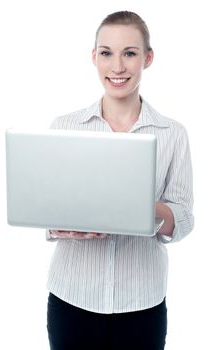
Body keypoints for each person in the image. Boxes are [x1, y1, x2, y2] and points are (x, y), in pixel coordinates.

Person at [46, 10, 194, 350]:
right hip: (72, 299)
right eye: (106, 53)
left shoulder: (173, 134)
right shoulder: (65, 127)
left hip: (141, 304)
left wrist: (139, 206)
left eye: (129, 53)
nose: (117, 67)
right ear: (94, 57)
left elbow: (183, 217)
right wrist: (60, 226)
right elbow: (47, 211)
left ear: (148, 58)